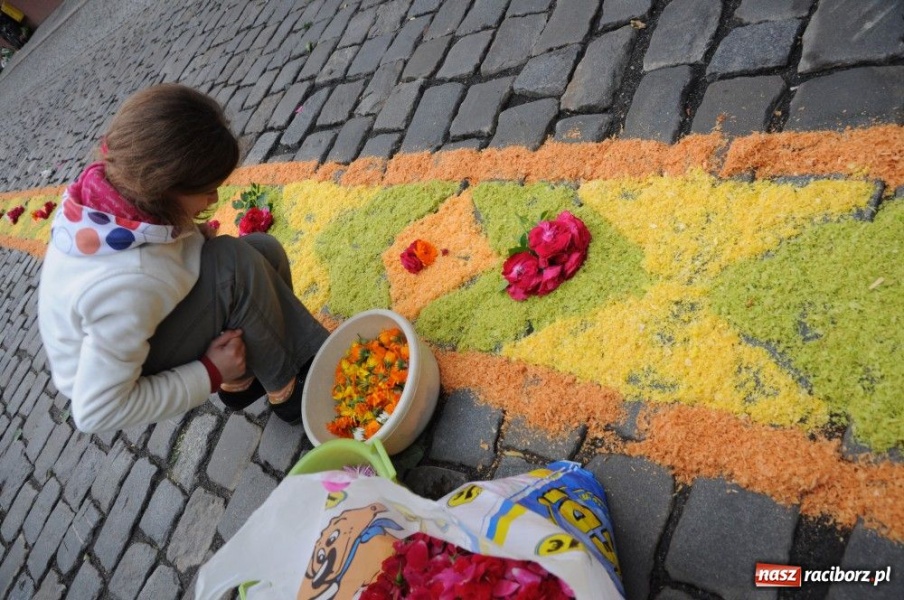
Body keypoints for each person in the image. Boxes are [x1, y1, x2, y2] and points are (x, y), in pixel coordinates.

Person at [37, 83, 328, 433]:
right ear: (165, 187)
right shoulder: (123, 287)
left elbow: (154, 249)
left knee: (263, 250)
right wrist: (209, 372)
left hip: (132, 324)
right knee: (234, 266)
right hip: (120, 369)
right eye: (206, 191)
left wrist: (190, 239)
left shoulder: (119, 187)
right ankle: (291, 392)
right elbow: (96, 411)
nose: (214, 198)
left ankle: (247, 379)